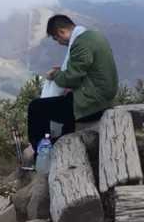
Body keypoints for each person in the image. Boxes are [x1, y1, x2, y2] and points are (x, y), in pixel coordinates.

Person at [25, 14, 119, 161]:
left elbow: (71, 79)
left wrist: (56, 74)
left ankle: (38, 152)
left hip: (93, 104)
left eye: (56, 39)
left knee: (36, 107)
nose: (59, 43)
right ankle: (59, 148)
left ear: (61, 32)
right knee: (63, 104)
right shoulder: (93, 36)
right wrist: (63, 73)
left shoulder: (80, 44)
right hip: (102, 97)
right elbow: (83, 71)